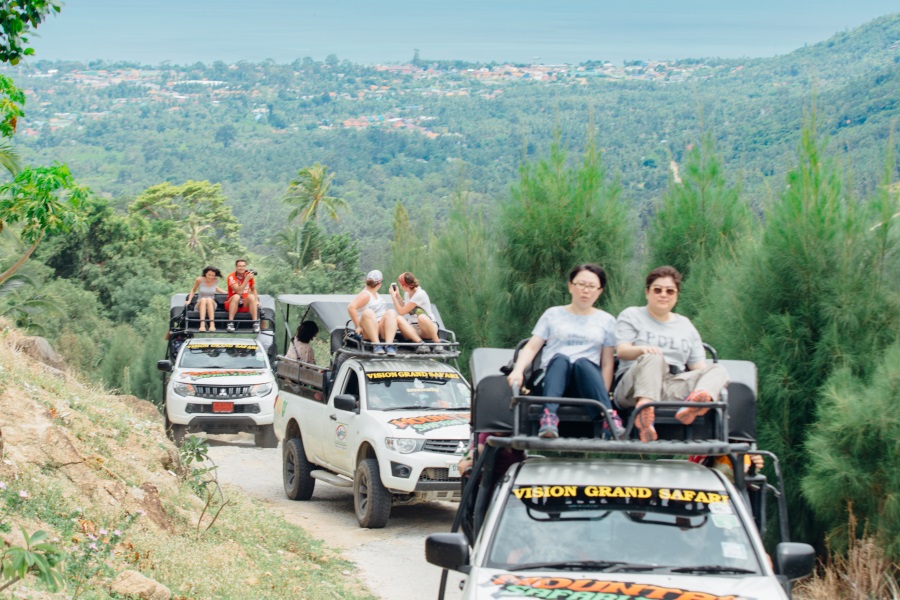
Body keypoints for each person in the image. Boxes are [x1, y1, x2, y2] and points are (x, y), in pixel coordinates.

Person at [614, 265, 730, 442]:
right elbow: (622, 351)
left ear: (676, 295)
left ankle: (695, 404)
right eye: (657, 290)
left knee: (718, 370)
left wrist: (705, 383)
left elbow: (698, 367)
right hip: (634, 385)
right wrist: (643, 349)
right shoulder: (632, 315)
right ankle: (644, 411)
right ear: (647, 292)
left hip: (670, 385)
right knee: (654, 357)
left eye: (670, 291)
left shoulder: (685, 325)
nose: (663, 295)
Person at [506, 264, 622, 440]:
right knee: (561, 359)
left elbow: (607, 363)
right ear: (570, 286)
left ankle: (607, 416)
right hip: (551, 380)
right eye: (581, 284)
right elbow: (531, 347)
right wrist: (518, 370)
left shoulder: (607, 321)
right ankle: (549, 416)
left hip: (584, 384)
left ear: (599, 291)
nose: (585, 291)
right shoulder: (552, 314)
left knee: (583, 363)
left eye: (591, 286)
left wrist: (602, 393)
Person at [347, 270, 402, 356]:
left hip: (380, 327)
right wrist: (357, 326)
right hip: (368, 329)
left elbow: (385, 312)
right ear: (380, 283)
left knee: (391, 312)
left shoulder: (376, 294)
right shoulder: (366, 295)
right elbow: (351, 307)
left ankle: (389, 345)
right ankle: (376, 344)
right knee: (368, 312)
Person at [389, 272, 440, 353]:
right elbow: (406, 309)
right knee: (398, 319)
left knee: (422, 317)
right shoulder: (407, 293)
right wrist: (398, 296)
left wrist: (393, 297)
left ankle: (437, 343)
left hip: (427, 328)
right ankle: (420, 343)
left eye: (400, 285)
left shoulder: (420, 294)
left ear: (404, 285)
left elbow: (401, 312)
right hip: (414, 329)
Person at [185, 266, 226, 331]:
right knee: (204, 299)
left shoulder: (215, 280)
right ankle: (202, 325)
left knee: (209, 299)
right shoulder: (199, 280)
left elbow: (215, 288)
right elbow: (193, 290)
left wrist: (227, 293)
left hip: (211, 303)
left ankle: (212, 325)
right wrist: (189, 300)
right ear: (205, 274)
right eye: (209, 275)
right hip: (201, 302)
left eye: (213, 275)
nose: (211, 277)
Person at [225, 258, 259, 333]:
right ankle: (230, 323)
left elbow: (253, 289)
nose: (241, 268)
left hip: (244, 303)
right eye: (239, 266)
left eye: (243, 266)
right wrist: (246, 279)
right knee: (237, 296)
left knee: (251, 297)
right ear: (236, 267)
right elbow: (239, 291)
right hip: (232, 303)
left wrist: (256, 300)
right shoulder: (231, 276)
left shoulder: (248, 275)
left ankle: (255, 323)